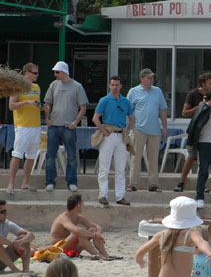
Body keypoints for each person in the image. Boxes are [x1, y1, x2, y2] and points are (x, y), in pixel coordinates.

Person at [43, 61, 88, 192]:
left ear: (64, 72)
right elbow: (47, 103)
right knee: (50, 155)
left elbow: (83, 107)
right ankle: (50, 181)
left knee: (71, 155)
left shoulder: (77, 86)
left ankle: (72, 181)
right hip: (54, 126)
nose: (55, 75)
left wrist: (75, 123)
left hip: (68, 127)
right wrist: (47, 119)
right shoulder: (53, 85)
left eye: (57, 72)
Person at [91, 76, 135, 206]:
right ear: (110, 86)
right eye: (113, 85)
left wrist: (128, 129)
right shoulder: (104, 100)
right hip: (109, 134)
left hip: (121, 135)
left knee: (121, 168)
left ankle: (120, 196)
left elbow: (132, 118)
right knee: (104, 167)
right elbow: (95, 118)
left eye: (117, 85)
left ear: (121, 86)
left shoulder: (126, 101)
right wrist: (104, 131)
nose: (115, 87)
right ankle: (103, 195)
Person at [127, 68, 168, 192]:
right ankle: (133, 184)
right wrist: (130, 126)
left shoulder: (158, 91)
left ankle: (153, 184)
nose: (151, 79)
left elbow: (163, 109)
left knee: (154, 159)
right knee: (136, 157)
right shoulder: (133, 91)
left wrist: (165, 127)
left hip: (155, 130)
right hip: (138, 129)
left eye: (152, 77)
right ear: (142, 78)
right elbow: (128, 110)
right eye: (149, 77)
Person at [174, 72, 211, 192]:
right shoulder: (193, 94)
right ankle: (181, 182)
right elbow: (184, 113)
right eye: (210, 83)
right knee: (191, 157)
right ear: (203, 84)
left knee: (205, 159)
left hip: (208, 130)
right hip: (196, 130)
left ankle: (203, 184)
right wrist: (199, 107)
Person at [187, 88, 211, 208]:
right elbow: (195, 125)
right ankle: (199, 197)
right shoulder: (203, 108)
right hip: (205, 143)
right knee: (203, 170)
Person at [6, 62, 41, 194]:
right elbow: (11, 105)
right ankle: (11, 184)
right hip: (22, 125)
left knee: (31, 155)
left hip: (35, 125)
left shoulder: (37, 87)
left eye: (37, 73)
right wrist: (26, 102)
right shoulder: (18, 87)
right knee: (18, 154)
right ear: (26, 72)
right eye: (35, 73)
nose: (37, 75)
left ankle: (25, 182)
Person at [50, 194, 115, 261]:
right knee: (79, 233)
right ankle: (97, 255)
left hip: (72, 248)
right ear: (78, 205)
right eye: (83, 204)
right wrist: (94, 235)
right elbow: (76, 231)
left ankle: (105, 255)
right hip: (59, 249)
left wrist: (98, 233)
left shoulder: (77, 217)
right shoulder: (63, 217)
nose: (84, 206)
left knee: (93, 229)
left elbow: (97, 226)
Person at [0, 200, 35, 273]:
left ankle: (26, 271)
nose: (6, 214)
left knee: (24, 237)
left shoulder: (6, 223)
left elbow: (31, 235)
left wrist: (21, 241)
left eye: (5, 211)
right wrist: (14, 245)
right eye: (3, 212)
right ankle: (15, 270)